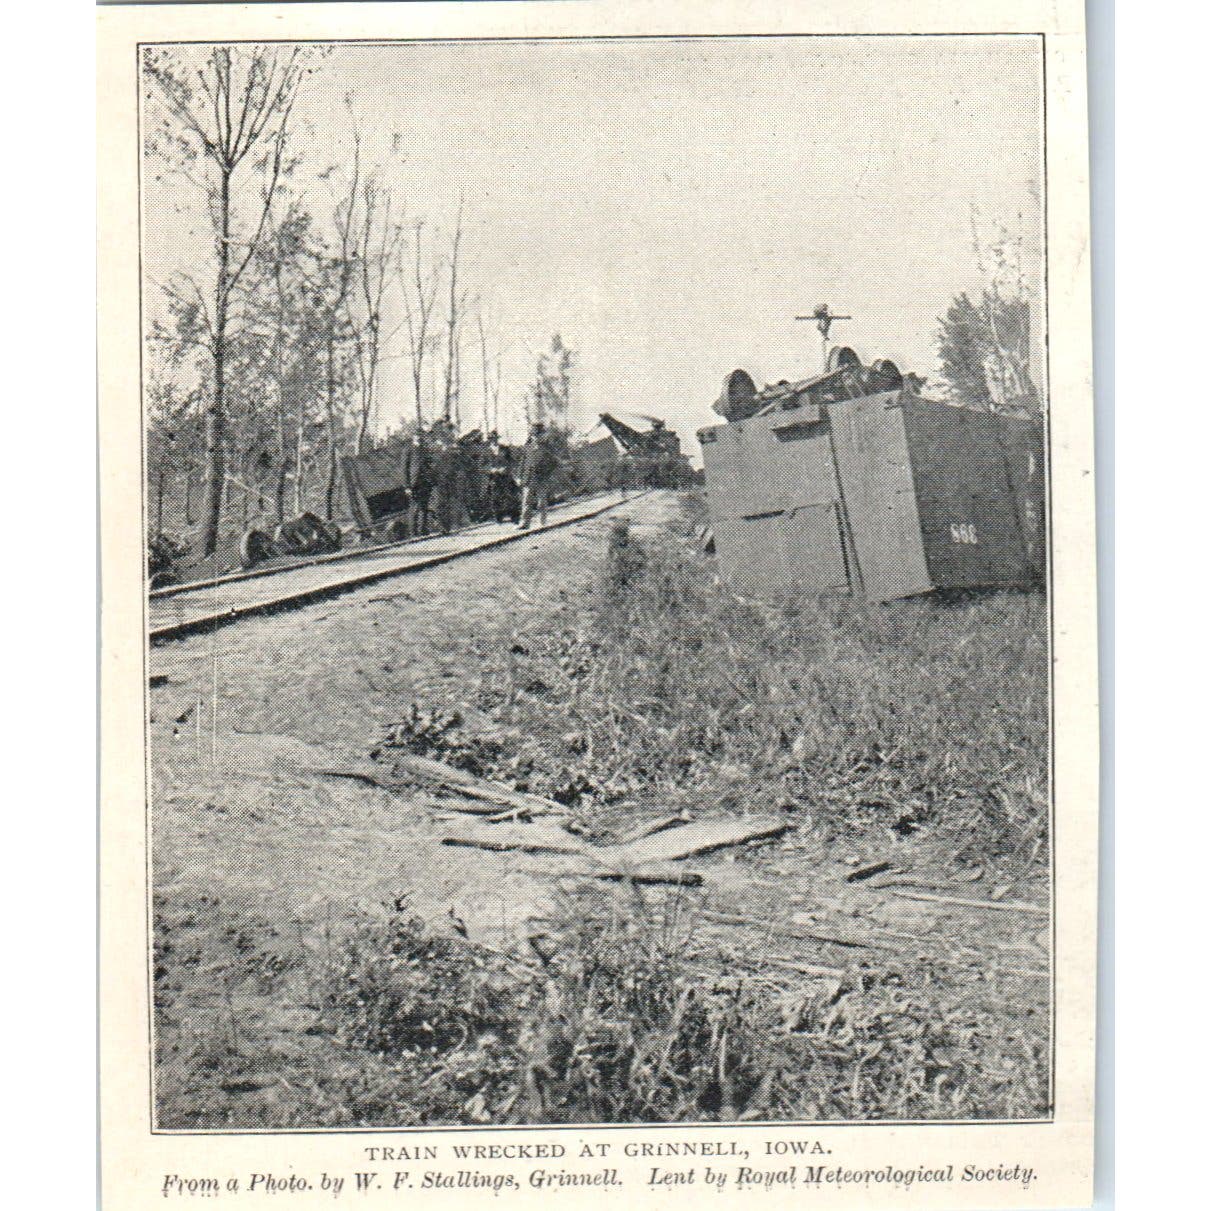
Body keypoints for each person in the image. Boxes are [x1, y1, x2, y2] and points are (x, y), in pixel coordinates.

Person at [518, 422, 558, 530]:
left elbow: (554, 462)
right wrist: (519, 476)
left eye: (538, 435)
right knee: (526, 501)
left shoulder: (547, 448)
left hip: (541, 478)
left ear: (542, 435)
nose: (535, 437)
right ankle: (525, 523)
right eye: (533, 435)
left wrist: (546, 472)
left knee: (541, 502)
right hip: (528, 477)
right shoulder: (527, 447)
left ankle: (542, 522)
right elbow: (522, 463)